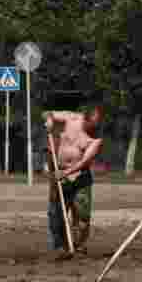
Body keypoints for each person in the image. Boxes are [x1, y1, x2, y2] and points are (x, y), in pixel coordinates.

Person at [44, 105, 105, 259]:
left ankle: (79, 246)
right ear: (85, 118)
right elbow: (48, 113)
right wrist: (50, 121)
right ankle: (61, 247)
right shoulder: (71, 118)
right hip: (58, 172)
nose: (94, 128)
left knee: (82, 215)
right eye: (92, 124)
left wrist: (65, 173)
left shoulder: (96, 139)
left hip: (80, 177)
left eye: (97, 124)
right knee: (56, 212)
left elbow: (85, 162)